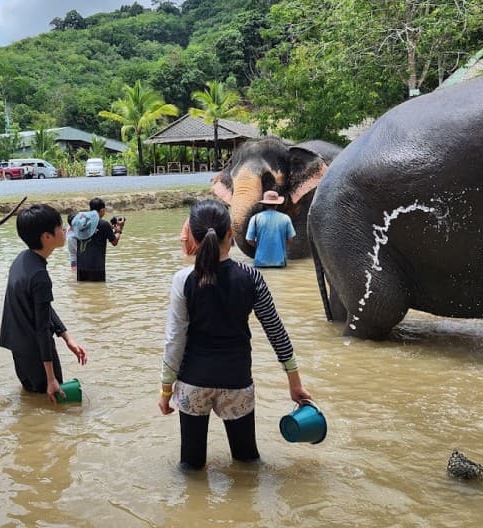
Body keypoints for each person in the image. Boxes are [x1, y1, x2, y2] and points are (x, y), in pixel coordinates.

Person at [159, 199, 311, 470]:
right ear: (230, 234)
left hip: (194, 381)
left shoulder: (183, 279)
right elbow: (276, 332)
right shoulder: (251, 277)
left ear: (194, 237)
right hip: (237, 381)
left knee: (191, 467)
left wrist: (165, 389)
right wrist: (294, 383)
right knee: (247, 462)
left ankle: (192, 509)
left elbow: (175, 339)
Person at [0, 203, 88, 403]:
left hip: (18, 348)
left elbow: (42, 307)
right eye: (60, 228)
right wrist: (51, 377)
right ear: (46, 237)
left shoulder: (22, 260)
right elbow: (41, 328)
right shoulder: (40, 276)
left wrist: (66, 337)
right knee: (54, 401)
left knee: (33, 402)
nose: (65, 231)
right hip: (37, 353)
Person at [70, 197, 122, 282]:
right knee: (98, 290)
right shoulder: (104, 224)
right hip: (96, 267)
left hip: (81, 267)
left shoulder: (81, 223)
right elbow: (114, 242)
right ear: (102, 210)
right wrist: (119, 229)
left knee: (83, 291)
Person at [244, 190, 296, 268]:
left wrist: (259, 245)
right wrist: (280, 245)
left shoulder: (255, 218)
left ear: (264, 204)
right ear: (277, 204)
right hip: (280, 263)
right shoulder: (286, 218)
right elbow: (290, 239)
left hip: (260, 263)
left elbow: (249, 240)